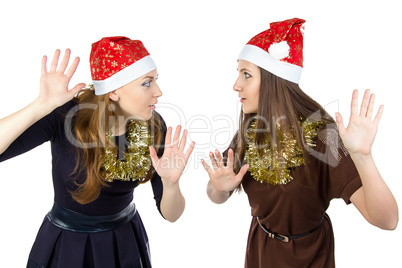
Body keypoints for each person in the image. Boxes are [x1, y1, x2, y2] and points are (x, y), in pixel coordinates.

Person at [201, 18, 398, 267]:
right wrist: (218, 188)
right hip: (260, 253)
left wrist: (362, 157)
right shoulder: (251, 130)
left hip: (310, 257)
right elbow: (216, 194)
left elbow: (388, 220)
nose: (236, 85)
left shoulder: (324, 137)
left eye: (246, 75)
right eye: (238, 73)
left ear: (275, 79)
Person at [0, 36, 194, 268]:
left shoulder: (153, 125)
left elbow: (171, 215)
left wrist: (171, 183)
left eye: (156, 80)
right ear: (114, 91)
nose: (159, 91)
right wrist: (42, 105)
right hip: (66, 244)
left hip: (123, 243)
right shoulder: (66, 115)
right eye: (147, 82)